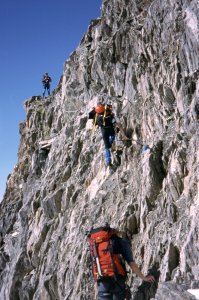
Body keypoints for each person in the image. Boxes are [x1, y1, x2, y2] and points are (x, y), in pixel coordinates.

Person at [88, 225, 155, 300]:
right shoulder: (121, 242)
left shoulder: (94, 245)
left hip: (102, 281)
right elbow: (131, 263)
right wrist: (144, 278)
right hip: (117, 281)